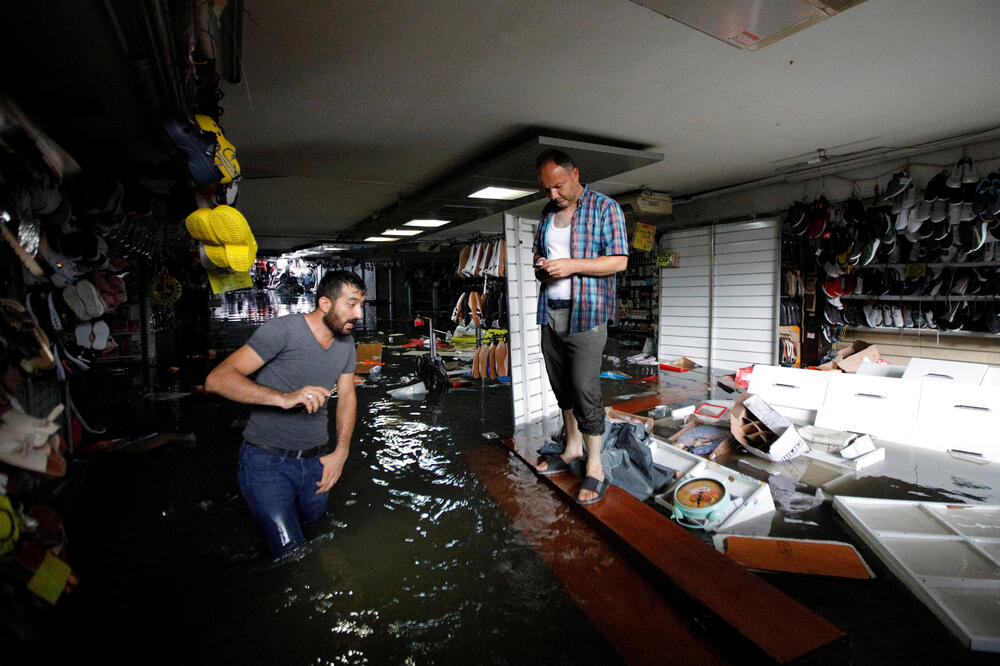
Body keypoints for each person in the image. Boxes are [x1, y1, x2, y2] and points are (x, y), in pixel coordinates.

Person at [205, 269, 366, 556]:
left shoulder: (346, 342)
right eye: (351, 304)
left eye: (361, 305)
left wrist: (341, 452)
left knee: (316, 535)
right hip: (267, 463)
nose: (359, 314)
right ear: (325, 304)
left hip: (318, 462)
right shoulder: (282, 331)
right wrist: (283, 398)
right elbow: (218, 379)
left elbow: (347, 397)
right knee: (290, 552)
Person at [532, 148, 629, 504]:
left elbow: (618, 261)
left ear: (575, 174)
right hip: (550, 310)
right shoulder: (547, 213)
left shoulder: (605, 208)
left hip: (586, 314)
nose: (553, 195)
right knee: (562, 387)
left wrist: (572, 265)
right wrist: (542, 264)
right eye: (547, 190)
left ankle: (596, 468)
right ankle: (571, 448)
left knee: (585, 389)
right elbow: (536, 257)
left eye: (558, 186)